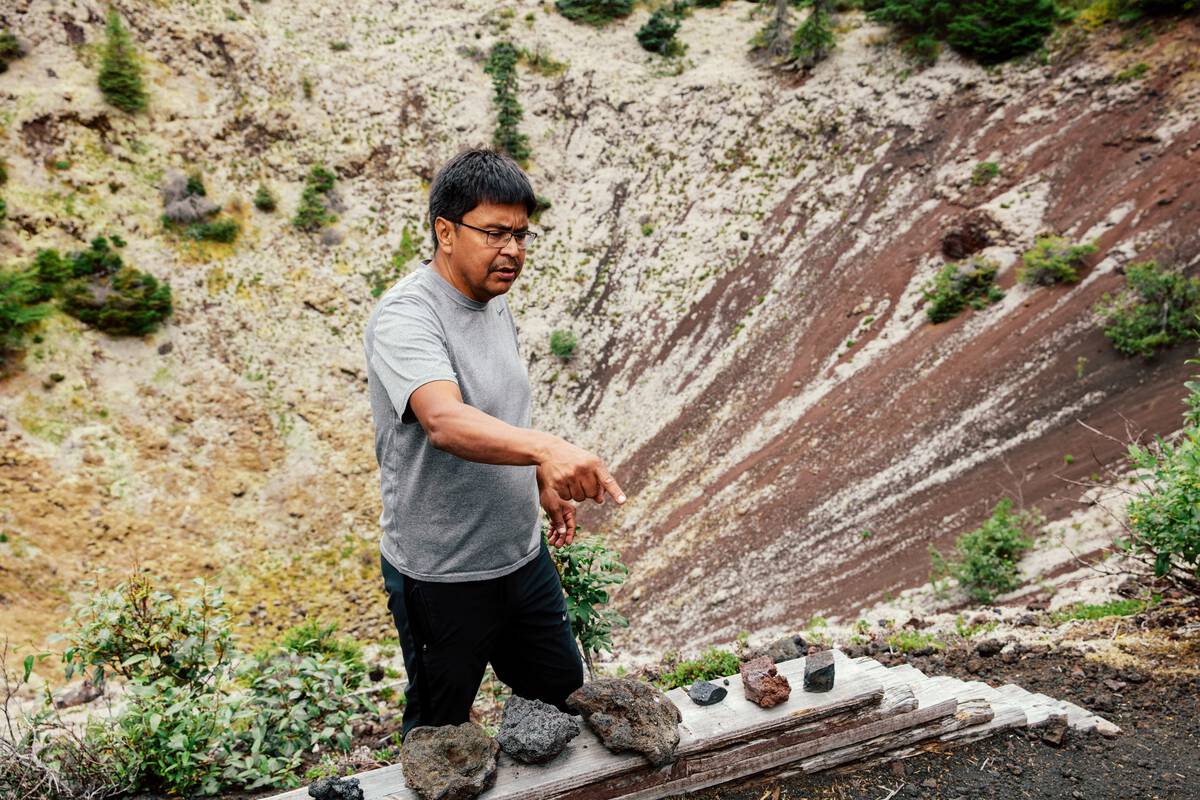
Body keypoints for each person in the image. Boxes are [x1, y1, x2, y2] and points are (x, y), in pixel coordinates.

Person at [362, 148, 627, 741]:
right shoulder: (406, 316)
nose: (512, 250)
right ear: (445, 232)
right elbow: (445, 420)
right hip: (442, 576)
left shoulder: (494, 300)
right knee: (440, 733)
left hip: (521, 558)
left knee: (564, 701)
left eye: (521, 235)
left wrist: (538, 479)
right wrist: (546, 450)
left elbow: (502, 406)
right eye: (494, 233)